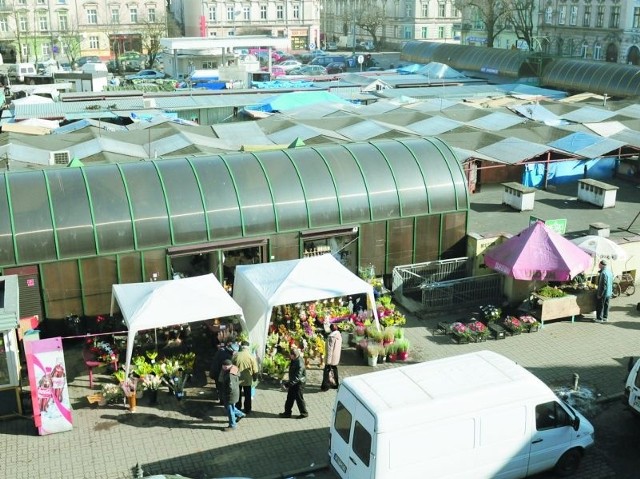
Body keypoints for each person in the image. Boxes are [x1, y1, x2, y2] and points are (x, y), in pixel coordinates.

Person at [279, 347, 308, 419]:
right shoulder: (295, 359)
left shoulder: (299, 363)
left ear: (294, 355)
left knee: (299, 399)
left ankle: (304, 413)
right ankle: (287, 413)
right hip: (294, 382)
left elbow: (297, 377)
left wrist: (288, 384)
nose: (289, 357)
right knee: (290, 398)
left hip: (299, 384)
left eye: (290, 355)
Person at [233, 341, 258, 414]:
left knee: (238, 395)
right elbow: (255, 370)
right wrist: (255, 378)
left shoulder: (236, 355)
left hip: (237, 379)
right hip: (247, 379)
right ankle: (247, 409)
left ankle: (238, 408)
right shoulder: (251, 357)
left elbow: (232, 366)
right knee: (247, 395)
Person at [219, 359, 245, 431]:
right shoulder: (234, 369)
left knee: (230, 411)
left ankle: (232, 425)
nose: (222, 368)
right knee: (231, 408)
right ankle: (240, 414)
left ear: (227, 367)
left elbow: (231, 388)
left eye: (223, 366)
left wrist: (226, 395)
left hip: (230, 396)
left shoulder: (230, 376)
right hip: (235, 394)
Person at [321, 324, 342, 391]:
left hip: (331, 358)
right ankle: (336, 384)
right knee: (335, 370)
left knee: (326, 373)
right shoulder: (338, 335)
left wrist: (328, 362)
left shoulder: (331, 337)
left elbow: (330, 350)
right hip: (336, 357)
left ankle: (325, 386)